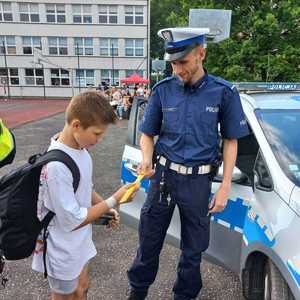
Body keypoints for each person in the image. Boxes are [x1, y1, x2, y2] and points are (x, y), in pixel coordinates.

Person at [126, 27, 249, 300]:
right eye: (173, 63)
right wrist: (147, 158)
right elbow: (148, 134)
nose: (177, 69)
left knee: (193, 251)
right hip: (163, 178)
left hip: (198, 182)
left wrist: (226, 186)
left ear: (201, 54)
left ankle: (184, 296)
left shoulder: (224, 93)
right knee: (148, 242)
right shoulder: (162, 91)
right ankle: (137, 291)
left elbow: (231, 141)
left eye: (183, 62)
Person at [31, 91, 139, 300]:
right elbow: (73, 220)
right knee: (66, 296)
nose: (99, 140)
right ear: (76, 125)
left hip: (79, 243)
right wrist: (113, 199)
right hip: (61, 250)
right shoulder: (56, 168)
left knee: (83, 288)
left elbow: (85, 189)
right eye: (97, 134)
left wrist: (106, 209)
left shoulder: (80, 151)